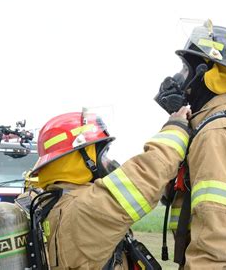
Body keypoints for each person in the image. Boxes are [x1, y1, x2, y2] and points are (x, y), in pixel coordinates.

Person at [155, 20, 226, 268]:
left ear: (208, 75)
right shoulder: (206, 128)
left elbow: (217, 236)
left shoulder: (217, 135)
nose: (179, 79)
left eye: (186, 69)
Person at [28, 106, 191, 269]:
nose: (107, 162)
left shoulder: (55, 203)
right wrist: (176, 128)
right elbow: (147, 176)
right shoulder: (84, 209)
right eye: (103, 154)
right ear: (80, 159)